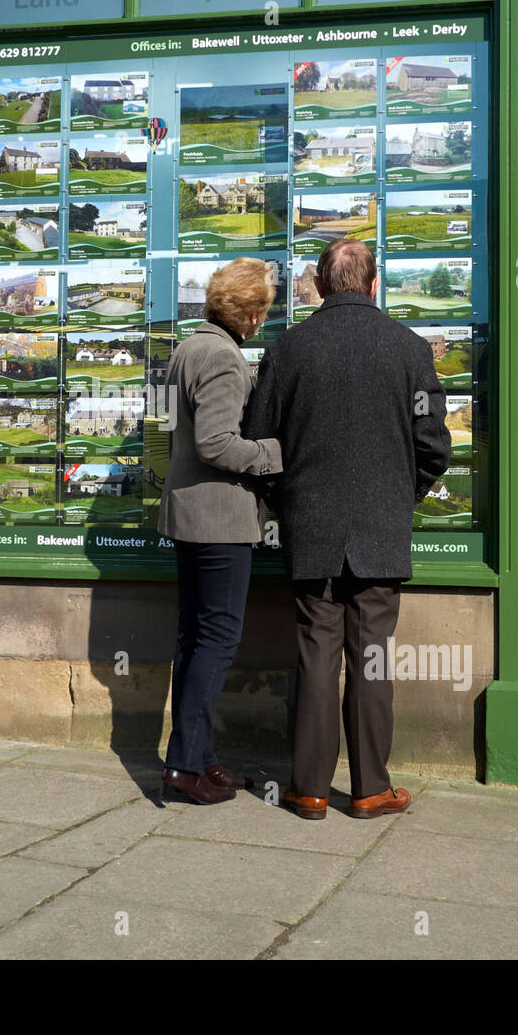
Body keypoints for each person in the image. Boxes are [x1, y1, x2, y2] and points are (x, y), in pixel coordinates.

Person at [243, 239, 450, 820]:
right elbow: (433, 446)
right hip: (382, 531)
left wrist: (288, 504)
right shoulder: (409, 349)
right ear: (373, 284)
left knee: (315, 658)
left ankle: (308, 789)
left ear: (322, 285)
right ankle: (370, 789)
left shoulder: (288, 350)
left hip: (310, 531)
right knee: (373, 661)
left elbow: (260, 445)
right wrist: (398, 500)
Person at [157, 257, 282, 805]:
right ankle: (185, 766)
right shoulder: (223, 357)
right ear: (252, 315)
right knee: (217, 640)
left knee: (194, 640)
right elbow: (215, 443)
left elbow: (168, 428)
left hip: (188, 513)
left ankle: (200, 759)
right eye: (263, 311)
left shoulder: (189, 346)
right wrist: (274, 453)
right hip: (220, 518)